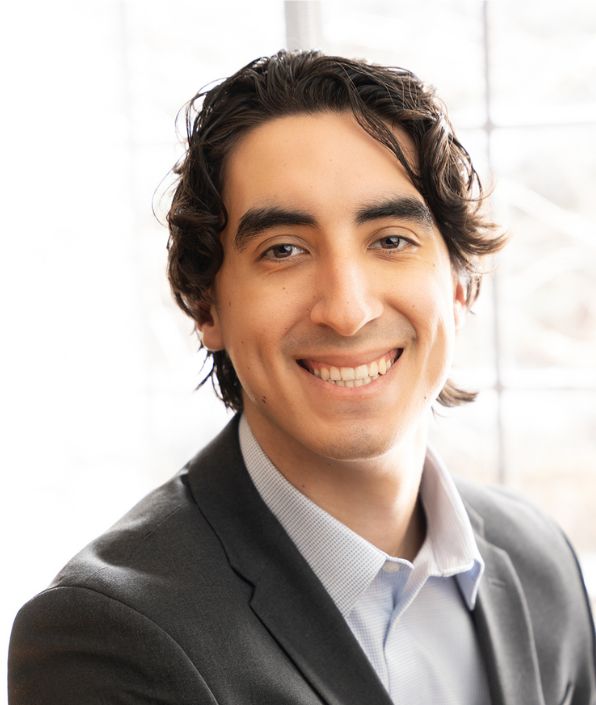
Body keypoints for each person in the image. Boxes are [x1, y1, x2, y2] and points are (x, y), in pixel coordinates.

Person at [8, 50, 596, 705]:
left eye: (391, 239)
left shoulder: (541, 559)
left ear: (458, 286)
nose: (347, 310)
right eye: (283, 250)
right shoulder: (103, 640)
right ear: (207, 307)